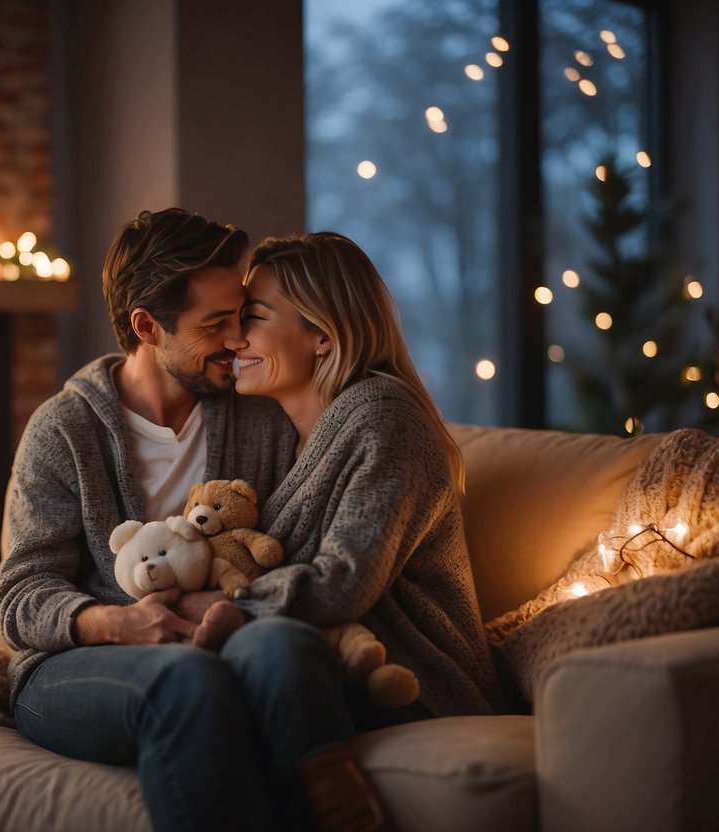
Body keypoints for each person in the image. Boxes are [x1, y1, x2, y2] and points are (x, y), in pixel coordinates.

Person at [0, 208, 299, 831]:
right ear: (147, 327)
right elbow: (20, 598)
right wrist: (118, 623)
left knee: (229, 671)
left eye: (240, 316)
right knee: (186, 682)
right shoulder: (64, 431)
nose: (239, 339)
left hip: (219, 646)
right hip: (66, 670)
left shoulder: (260, 422)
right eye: (215, 324)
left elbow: (288, 552)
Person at [228, 231, 506, 824]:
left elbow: (343, 583)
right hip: (330, 671)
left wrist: (224, 602)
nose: (235, 338)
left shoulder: (386, 417)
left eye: (252, 318)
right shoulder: (284, 436)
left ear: (323, 334)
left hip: (415, 684)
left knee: (259, 655)